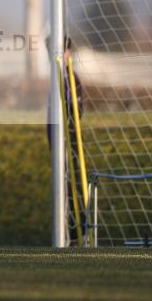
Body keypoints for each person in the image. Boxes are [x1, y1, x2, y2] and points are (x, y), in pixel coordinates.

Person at [46, 36, 87, 244]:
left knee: (73, 187)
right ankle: (65, 233)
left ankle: (78, 234)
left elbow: (76, 113)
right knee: (60, 188)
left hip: (69, 142)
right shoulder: (56, 78)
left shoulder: (71, 79)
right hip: (57, 143)